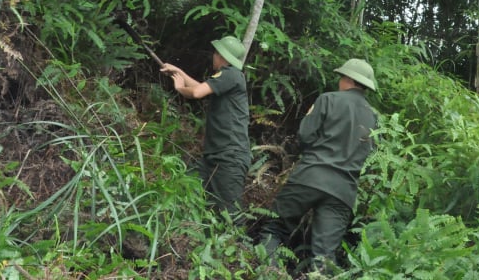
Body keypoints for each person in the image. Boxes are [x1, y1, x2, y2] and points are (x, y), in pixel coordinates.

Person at [262, 58, 379, 272]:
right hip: (343, 192)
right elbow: (369, 156)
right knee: (324, 255)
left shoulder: (328, 99)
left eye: (341, 77)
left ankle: (266, 274)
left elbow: (305, 135)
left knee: (275, 227)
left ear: (348, 79)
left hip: (310, 176)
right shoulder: (373, 117)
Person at [160, 35, 251, 215]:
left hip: (229, 158)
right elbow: (201, 86)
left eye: (215, 53)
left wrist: (179, 88)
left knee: (230, 215)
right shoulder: (227, 78)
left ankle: (240, 242)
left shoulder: (231, 74)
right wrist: (178, 72)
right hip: (214, 157)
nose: (213, 57)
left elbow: (196, 92)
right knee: (183, 185)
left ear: (222, 56)